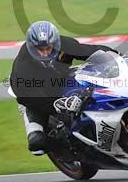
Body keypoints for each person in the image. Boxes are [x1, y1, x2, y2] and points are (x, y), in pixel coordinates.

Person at [8, 21, 117, 155]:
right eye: (40, 49)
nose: (45, 53)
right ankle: (63, 148)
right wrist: (57, 103)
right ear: (31, 47)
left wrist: (115, 56)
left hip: (63, 80)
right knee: (37, 145)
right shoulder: (23, 66)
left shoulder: (65, 44)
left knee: (94, 85)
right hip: (34, 95)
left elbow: (89, 51)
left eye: (48, 48)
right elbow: (26, 97)